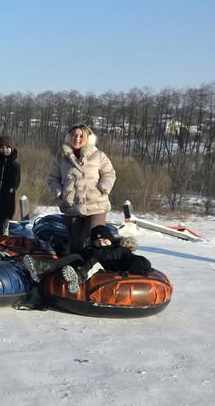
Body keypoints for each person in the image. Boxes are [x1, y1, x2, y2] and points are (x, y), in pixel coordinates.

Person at [46, 124, 116, 254]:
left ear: (88, 138)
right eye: (74, 135)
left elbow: (109, 173)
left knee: (97, 242)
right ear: (69, 137)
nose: (77, 139)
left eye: (81, 136)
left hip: (96, 205)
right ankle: (77, 266)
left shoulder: (98, 155)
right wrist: (59, 192)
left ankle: (99, 267)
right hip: (72, 207)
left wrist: (104, 187)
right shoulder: (61, 158)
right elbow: (52, 178)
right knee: (76, 246)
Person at [22, 225, 151, 294]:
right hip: (87, 270)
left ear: (111, 240)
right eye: (97, 241)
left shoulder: (120, 250)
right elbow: (74, 258)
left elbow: (132, 259)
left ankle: (78, 280)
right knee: (76, 257)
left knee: (95, 262)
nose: (101, 243)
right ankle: (41, 269)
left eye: (104, 240)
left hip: (108, 274)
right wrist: (64, 250)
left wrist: (137, 263)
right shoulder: (90, 250)